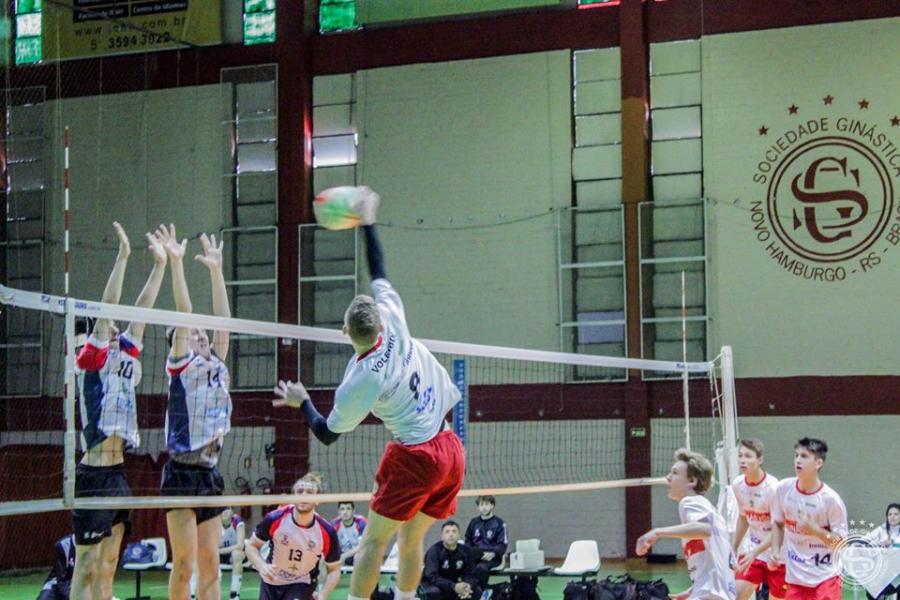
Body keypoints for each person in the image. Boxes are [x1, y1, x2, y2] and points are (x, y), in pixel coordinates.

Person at [272, 188, 465, 600]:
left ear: (346, 332)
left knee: (373, 544)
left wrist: (302, 401)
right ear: (379, 323)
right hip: (450, 446)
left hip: (416, 457)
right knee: (411, 540)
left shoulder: (361, 380)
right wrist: (368, 219)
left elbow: (326, 433)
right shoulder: (393, 317)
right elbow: (379, 269)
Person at [71, 223, 167, 600]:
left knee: (110, 564)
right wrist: (123, 257)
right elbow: (109, 309)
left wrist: (159, 265)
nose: (112, 329)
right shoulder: (90, 358)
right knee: (88, 565)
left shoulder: (126, 353)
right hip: (93, 475)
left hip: (118, 473)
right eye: (106, 325)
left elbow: (141, 309)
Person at [157, 225, 233, 600]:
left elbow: (224, 323)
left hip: (209, 472)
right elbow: (184, 315)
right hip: (181, 472)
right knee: (184, 563)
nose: (201, 336)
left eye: (204, 334)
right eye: (193, 334)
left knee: (211, 564)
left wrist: (216, 271)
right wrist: (176, 264)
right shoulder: (180, 366)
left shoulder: (217, 363)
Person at [636, 448, 737, 600]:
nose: (668, 477)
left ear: (692, 481)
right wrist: (692, 590)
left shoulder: (690, 502)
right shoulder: (709, 509)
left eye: (675, 473)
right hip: (715, 593)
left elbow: (705, 529)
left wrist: (657, 532)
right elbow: (718, 562)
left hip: (710, 594)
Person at [769, 438, 848, 600]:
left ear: (818, 463)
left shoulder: (831, 500)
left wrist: (815, 530)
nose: (798, 460)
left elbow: (841, 544)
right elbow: (777, 523)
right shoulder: (783, 489)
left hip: (826, 578)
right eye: (796, 455)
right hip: (796, 579)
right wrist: (776, 551)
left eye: (804, 456)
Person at [245, 473, 342, 600]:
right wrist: (261, 565)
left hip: (302, 583)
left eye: (309, 492)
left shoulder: (327, 531)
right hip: (271, 580)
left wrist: (323, 595)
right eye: (300, 491)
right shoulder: (275, 518)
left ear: (318, 499)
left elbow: (334, 569)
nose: (303, 496)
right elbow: (251, 546)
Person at [731, 439, 786, 600]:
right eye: (740, 456)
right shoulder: (738, 484)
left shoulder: (773, 488)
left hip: (779, 554)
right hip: (752, 550)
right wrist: (734, 547)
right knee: (735, 595)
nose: (742, 460)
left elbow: (779, 528)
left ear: (760, 460)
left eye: (748, 456)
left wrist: (755, 552)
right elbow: (743, 517)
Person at [421, 521, 482, 600]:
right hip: (435, 584)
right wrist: (453, 586)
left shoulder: (466, 551)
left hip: (456, 583)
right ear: (442, 536)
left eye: (454, 531)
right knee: (434, 592)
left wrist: (467, 585)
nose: (451, 534)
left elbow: (471, 573)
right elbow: (432, 577)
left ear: (459, 535)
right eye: (447, 532)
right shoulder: (434, 550)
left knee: (476, 590)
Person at [464, 495, 508, 589]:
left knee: (480, 568)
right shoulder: (473, 522)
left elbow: (502, 544)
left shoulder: (499, 523)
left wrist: (492, 554)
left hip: (492, 558)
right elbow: (467, 541)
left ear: (492, 506)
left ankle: (481, 593)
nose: (484, 507)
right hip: (476, 556)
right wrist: (474, 553)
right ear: (478, 507)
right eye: (481, 504)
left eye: (487, 504)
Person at [37, 534, 76, 600]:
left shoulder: (97, 547)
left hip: (86, 585)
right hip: (58, 584)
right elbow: (61, 581)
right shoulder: (63, 545)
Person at [331, 501, 368, 565]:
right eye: (342, 509)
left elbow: (362, 546)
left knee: (358, 556)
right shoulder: (334, 524)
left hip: (359, 554)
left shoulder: (361, 522)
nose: (345, 512)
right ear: (339, 512)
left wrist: (344, 555)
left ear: (353, 511)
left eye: (348, 509)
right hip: (342, 554)